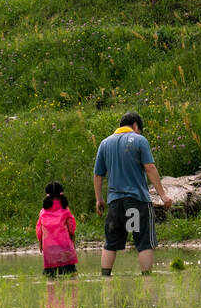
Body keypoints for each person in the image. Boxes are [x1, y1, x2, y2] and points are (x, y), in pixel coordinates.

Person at [92, 111, 172, 275]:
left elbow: (98, 175)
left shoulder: (104, 143)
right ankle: (147, 281)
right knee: (143, 242)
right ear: (136, 125)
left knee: (110, 243)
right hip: (137, 202)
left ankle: (105, 279)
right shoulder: (139, 140)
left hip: (115, 204)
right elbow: (150, 168)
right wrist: (163, 195)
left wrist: (98, 199)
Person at [36, 180, 78, 276]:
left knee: (50, 278)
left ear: (47, 194)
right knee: (70, 276)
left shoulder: (43, 212)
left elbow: (39, 230)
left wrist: (40, 242)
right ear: (61, 194)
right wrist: (72, 236)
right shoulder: (65, 210)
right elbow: (71, 228)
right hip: (65, 249)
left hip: (49, 250)